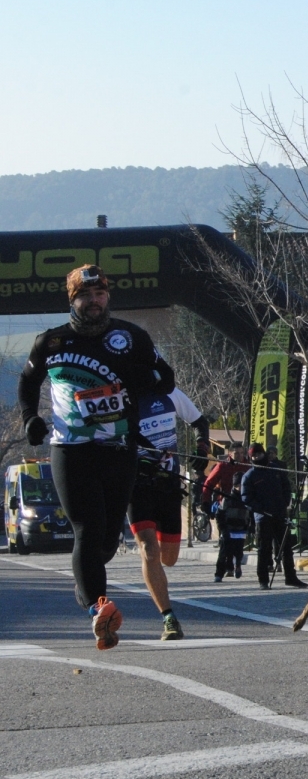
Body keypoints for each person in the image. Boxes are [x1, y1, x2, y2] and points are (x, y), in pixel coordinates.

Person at [17, 264, 174, 649]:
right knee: (86, 528)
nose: (94, 302)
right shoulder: (51, 343)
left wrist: (139, 382)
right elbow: (27, 382)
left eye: (100, 294)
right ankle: (99, 609)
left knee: (106, 539)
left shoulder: (130, 336)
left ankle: (88, 588)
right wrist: (30, 419)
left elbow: (165, 378)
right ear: (73, 300)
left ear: (108, 297)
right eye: (85, 296)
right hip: (70, 450)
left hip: (118, 449)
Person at [129, 386, 210, 640]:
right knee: (149, 550)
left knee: (169, 558)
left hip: (168, 484)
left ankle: (154, 569)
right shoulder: (120, 396)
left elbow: (199, 422)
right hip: (137, 486)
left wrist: (201, 448)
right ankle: (169, 618)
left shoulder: (169, 393)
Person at [241, 442, 306, 589]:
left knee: (286, 548)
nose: (257, 457)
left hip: (280, 514)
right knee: (264, 550)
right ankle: (263, 580)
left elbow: (286, 488)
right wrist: (261, 509)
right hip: (263, 518)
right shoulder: (249, 476)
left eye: (259, 454)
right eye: (254, 455)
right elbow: (246, 499)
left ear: (264, 453)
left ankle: (291, 577)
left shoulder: (276, 470)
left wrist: (285, 503)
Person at [202, 445, 251, 580]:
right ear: (230, 453)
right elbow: (209, 483)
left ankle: (233, 565)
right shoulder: (222, 466)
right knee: (226, 540)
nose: (239, 456)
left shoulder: (247, 466)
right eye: (236, 453)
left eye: (241, 453)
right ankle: (222, 569)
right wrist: (205, 502)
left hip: (243, 507)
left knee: (238, 542)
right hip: (226, 506)